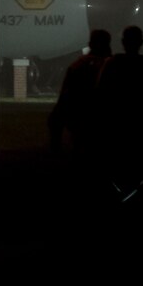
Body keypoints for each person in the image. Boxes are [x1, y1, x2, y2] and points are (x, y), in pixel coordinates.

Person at [96, 25, 143, 191]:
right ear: (141, 42)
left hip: (118, 122)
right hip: (142, 121)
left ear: (123, 42)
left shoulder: (111, 64)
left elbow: (100, 94)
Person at [47, 29, 113, 177]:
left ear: (90, 44)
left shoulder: (78, 66)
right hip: (107, 124)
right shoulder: (115, 66)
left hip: (82, 123)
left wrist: (57, 123)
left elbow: (65, 97)